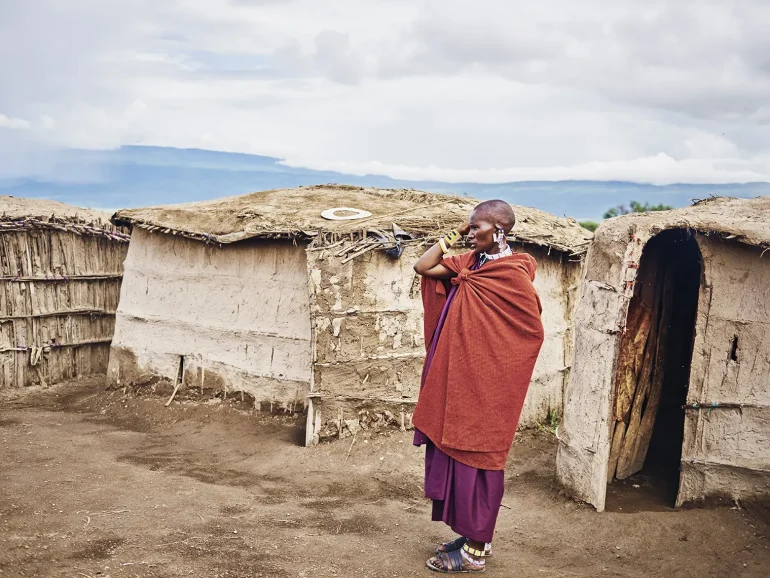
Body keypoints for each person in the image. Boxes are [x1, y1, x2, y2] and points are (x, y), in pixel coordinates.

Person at [412, 200, 545, 573]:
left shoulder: (513, 275)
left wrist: (492, 371)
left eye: (477, 229)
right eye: (469, 229)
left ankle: (476, 552)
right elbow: (423, 266)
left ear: (500, 232)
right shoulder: (469, 264)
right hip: (459, 381)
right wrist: (453, 235)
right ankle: (469, 534)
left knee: (481, 458)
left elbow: (529, 333)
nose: (471, 235)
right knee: (453, 448)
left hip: (488, 388)